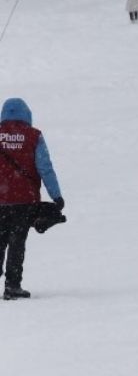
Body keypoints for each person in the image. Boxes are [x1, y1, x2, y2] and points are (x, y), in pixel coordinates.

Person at [0, 98, 64, 300]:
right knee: (17, 242)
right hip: (24, 200)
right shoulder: (33, 136)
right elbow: (45, 167)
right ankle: (12, 286)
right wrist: (56, 195)